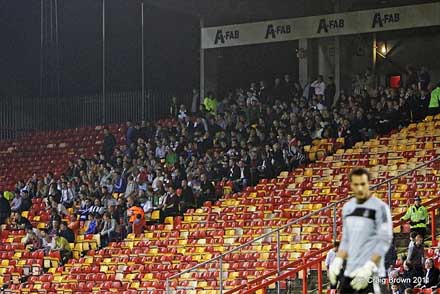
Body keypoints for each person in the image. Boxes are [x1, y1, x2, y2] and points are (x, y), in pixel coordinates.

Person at [329, 168, 393, 293]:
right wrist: (338, 260)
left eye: (362, 183)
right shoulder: (348, 208)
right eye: (355, 184)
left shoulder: (380, 208)